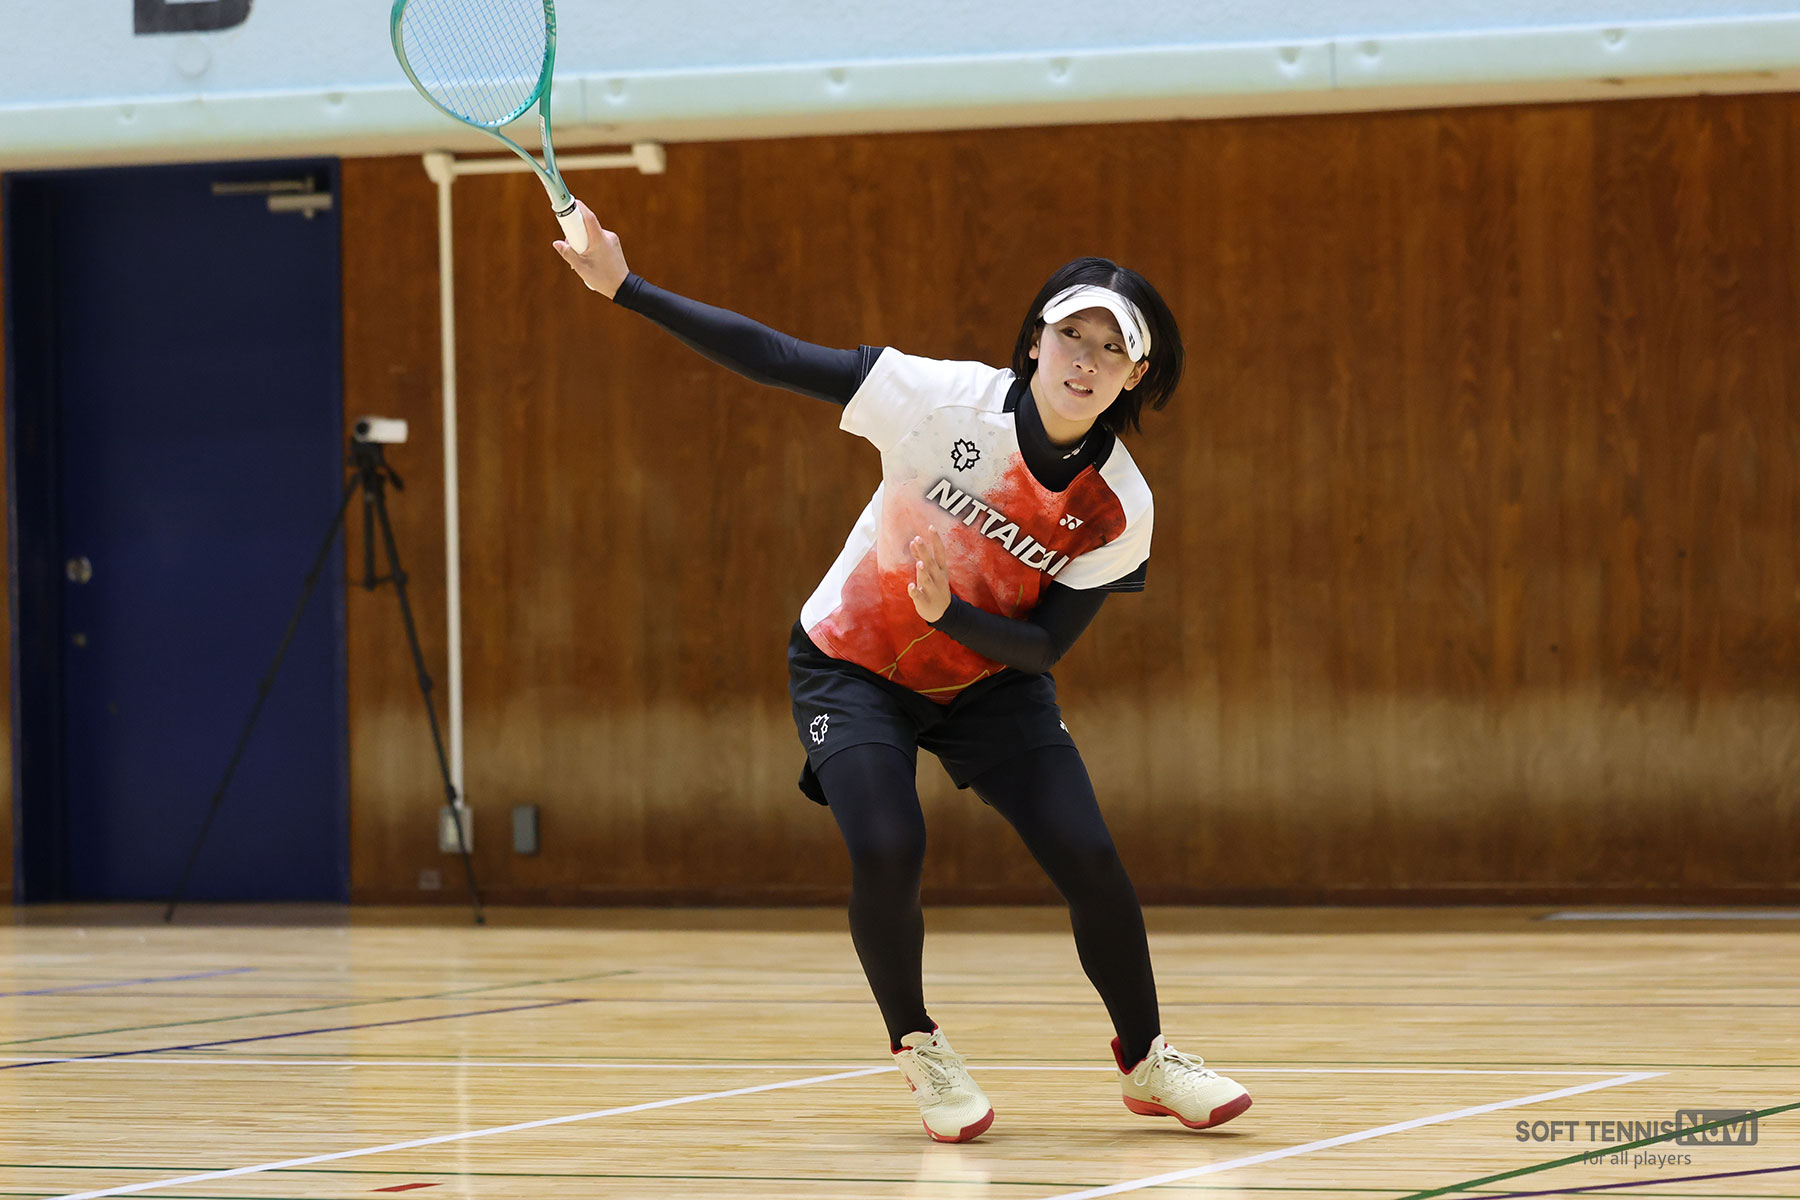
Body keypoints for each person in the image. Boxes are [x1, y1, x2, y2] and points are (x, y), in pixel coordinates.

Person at [554, 201, 1252, 1143]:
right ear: (1034, 341)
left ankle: (1147, 1059)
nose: (1085, 360)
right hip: (853, 664)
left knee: (1089, 856)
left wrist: (949, 615)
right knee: (889, 847)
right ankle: (918, 1044)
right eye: (1069, 335)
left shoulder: (1120, 504)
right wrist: (627, 288)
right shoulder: (936, 399)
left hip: (989, 679)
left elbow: (1044, 648)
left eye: (1112, 349)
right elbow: (775, 356)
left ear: (1138, 376)